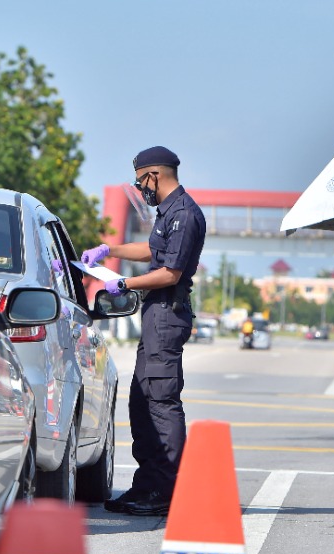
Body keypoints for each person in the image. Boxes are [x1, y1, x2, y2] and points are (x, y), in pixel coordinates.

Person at [81, 146, 206, 516]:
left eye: (141, 181)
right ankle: (148, 485)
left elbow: (171, 272)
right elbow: (152, 250)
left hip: (167, 313)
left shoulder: (183, 214)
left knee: (161, 402)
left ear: (154, 175)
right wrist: (109, 249)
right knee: (142, 401)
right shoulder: (167, 214)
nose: (141, 189)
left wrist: (125, 284)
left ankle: (166, 490)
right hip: (157, 314)